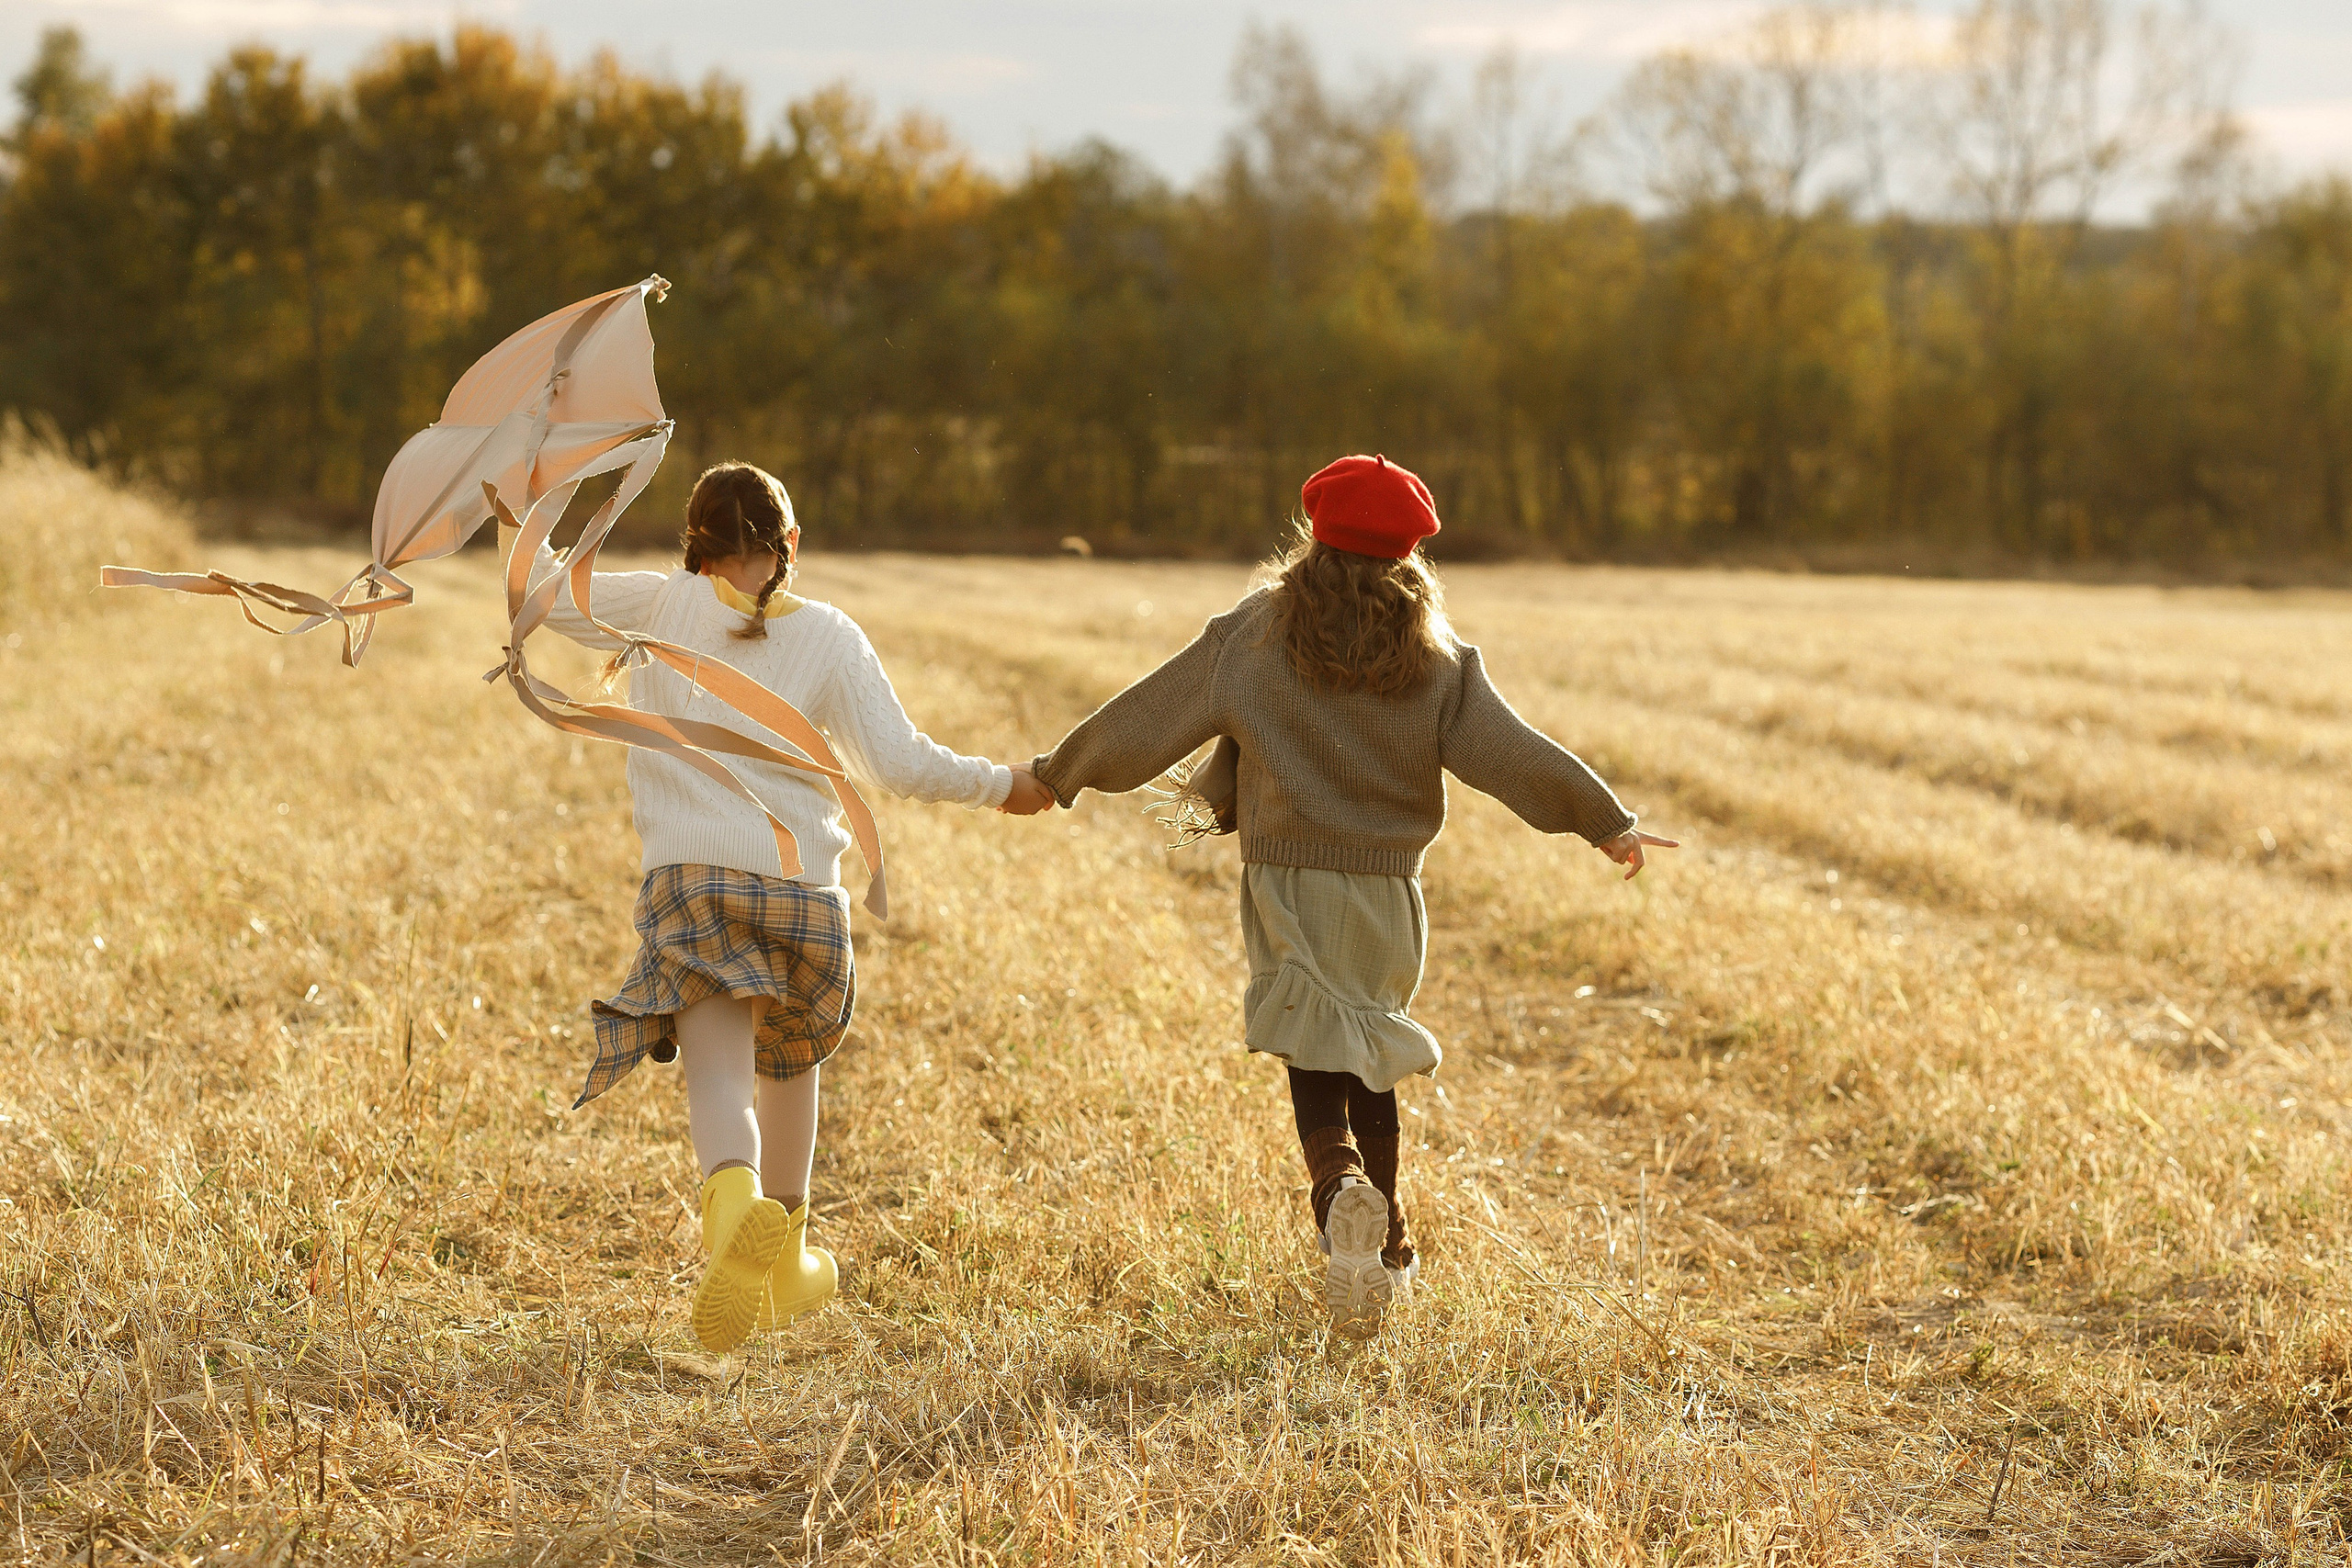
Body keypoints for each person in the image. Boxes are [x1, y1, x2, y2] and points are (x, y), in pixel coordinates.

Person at [1024, 454, 1675, 1337]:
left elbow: (1152, 710)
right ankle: (1388, 1248)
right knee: (1368, 1050)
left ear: (1314, 535)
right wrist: (1605, 819)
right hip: (1387, 895)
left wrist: (1059, 773)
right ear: (1412, 554)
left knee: (1312, 1047)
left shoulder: (1253, 634)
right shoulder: (1438, 658)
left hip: (1289, 879)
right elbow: (1512, 752)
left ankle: (1338, 1187)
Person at [520, 461, 1053, 1352]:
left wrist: (536, 487)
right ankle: (790, 1256)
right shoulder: (834, 636)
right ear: (789, 546)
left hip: (696, 880)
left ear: (694, 544)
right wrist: (1007, 785)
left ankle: (735, 1210)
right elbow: (901, 762)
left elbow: (539, 593)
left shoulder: (656, 605)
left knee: (720, 1075)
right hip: (804, 893)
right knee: (792, 1062)